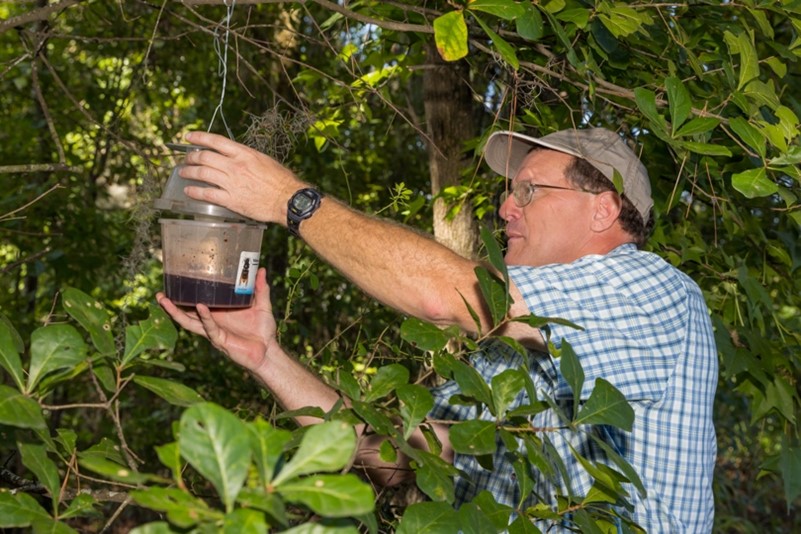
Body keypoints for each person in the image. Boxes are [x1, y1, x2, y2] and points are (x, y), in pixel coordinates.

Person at [157, 127, 718, 532]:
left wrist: (291, 201)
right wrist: (266, 356)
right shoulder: (518, 346)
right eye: (509, 191)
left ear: (603, 210)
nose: (505, 208)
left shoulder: (651, 289)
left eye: (529, 191)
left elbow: (445, 297)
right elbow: (407, 457)